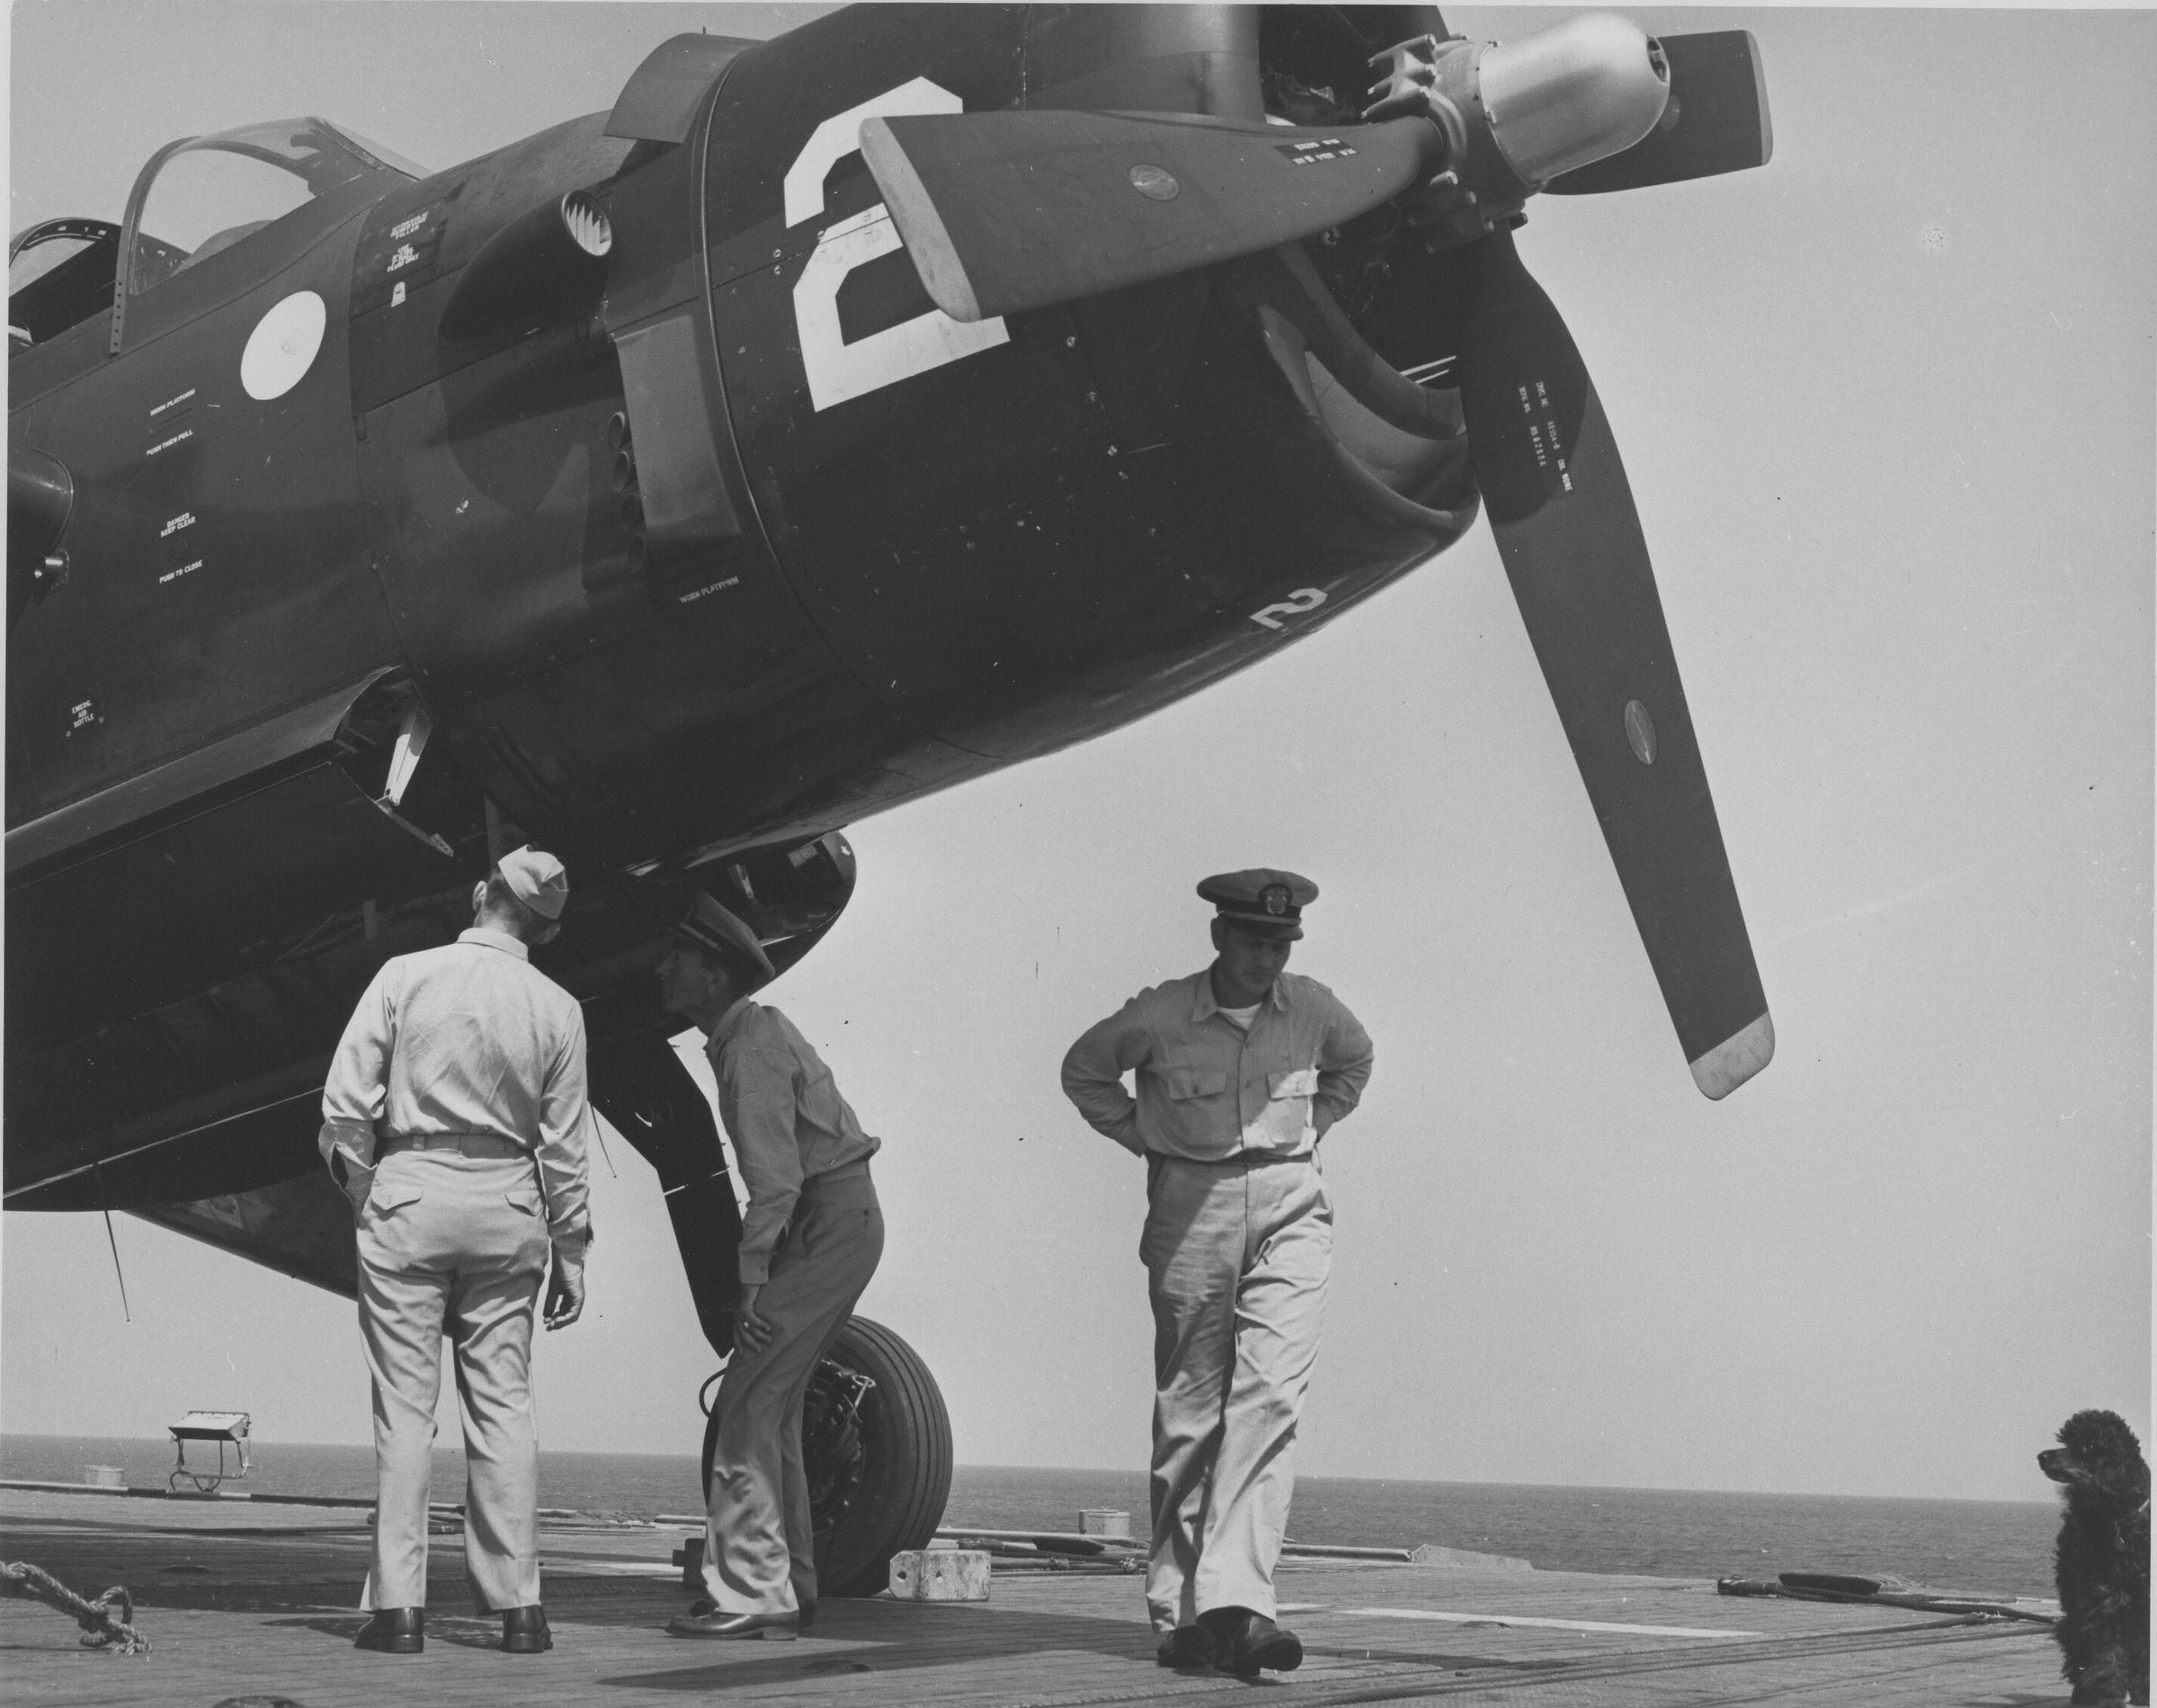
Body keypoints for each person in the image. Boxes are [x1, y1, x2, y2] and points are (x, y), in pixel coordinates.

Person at [1061, 868, 1374, 1677]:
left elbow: (1353, 1065)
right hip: (1189, 1203)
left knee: (1270, 1393)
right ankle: (1180, 1615)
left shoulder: (1312, 1009)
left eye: (1279, 944)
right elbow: (1083, 1071)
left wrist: (1313, 1130)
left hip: (1290, 1202)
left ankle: (1240, 1604)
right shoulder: (1160, 1015)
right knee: (1192, 1411)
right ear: (1219, 938)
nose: (1266, 958)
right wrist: (1147, 1138)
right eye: (1253, 942)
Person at [317, 846, 594, 1657]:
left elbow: (343, 1109)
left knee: (405, 1412)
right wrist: (571, 1250)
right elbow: (566, 1149)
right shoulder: (560, 1008)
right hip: (511, 1204)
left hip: (409, 1190)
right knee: (504, 1406)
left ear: (482, 895)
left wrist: (370, 1195)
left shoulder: (405, 975)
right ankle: (520, 1612)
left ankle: (400, 1613)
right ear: (543, 929)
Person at [657, 894, 885, 1641]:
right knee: (772, 1407)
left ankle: (753, 1595)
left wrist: (751, 1286)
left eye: (679, 961)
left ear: (714, 976)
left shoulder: (748, 1047)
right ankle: (786, 1586)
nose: (664, 970)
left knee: (747, 1407)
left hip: (823, 1222)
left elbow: (776, 1182)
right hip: (835, 1220)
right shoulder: (745, 1035)